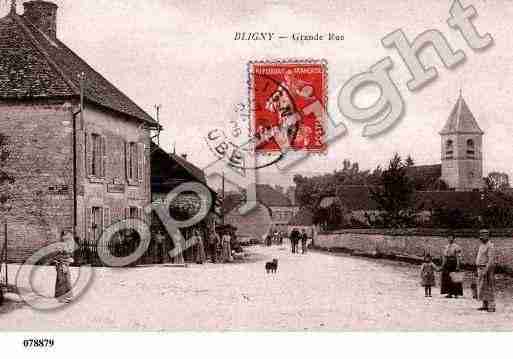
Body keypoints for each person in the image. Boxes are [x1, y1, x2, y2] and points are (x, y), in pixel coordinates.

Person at [476, 229, 496, 312]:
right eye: (481, 235)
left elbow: (490, 260)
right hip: (480, 268)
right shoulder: (481, 245)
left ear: (488, 236)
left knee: (489, 287)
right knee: (482, 287)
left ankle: (491, 306)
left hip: (486, 268)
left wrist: (486, 270)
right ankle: (484, 305)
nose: (482, 237)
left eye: (484, 235)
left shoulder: (490, 246)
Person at [52, 230, 75, 303]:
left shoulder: (66, 245)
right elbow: (58, 255)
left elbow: (68, 254)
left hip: (63, 263)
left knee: (64, 279)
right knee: (63, 280)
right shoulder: (61, 245)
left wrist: (68, 259)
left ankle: (63, 296)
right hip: (61, 264)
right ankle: (63, 296)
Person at [440, 233, 463, 298]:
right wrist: (443, 265)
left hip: (454, 262)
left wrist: (458, 265)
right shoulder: (446, 246)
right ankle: (449, 293)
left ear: (454, 238)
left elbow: (458, 257)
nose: (450, 239)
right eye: (449, 237)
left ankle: (456, 293)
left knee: (455, 278)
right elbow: (444, 256)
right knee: (447, 278)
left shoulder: (456, 246)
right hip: (447, 263)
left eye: (451, 237)